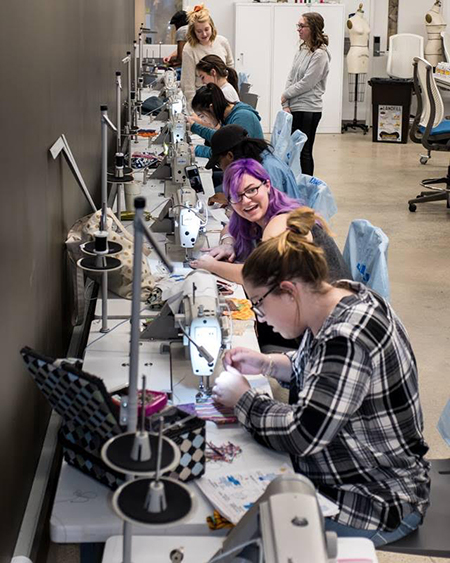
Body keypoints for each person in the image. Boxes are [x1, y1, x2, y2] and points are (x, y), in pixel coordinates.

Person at [212, 207, 430, 546]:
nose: (261, 317)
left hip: (376, 496)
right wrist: (268, 363)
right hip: (352, 469)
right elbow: (314, 365)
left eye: (259, 304)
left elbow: (303, 434)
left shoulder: (347, 337)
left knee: (248, 537)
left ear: (288, 290)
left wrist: (243, 399)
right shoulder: (335, 296)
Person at [190, 158, 350, 285]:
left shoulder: (283, 221)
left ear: (267, 185)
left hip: (334, 310)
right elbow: (229, 228)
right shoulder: (256, 212)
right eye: (236, 196)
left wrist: (211, 265)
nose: (245, 201)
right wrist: (228, 243)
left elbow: (259, 276)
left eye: (251, 190)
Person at [281, 12, 330, 176]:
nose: (298, 29)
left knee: (305, 151)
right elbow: (292, 76)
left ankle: (307, 187)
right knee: (293, 150)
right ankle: (295, 184)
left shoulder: (320, 54)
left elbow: (307, 83)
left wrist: (286, 94)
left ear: (313, 29)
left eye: (302, 26)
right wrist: (285, 102)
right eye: (298, 26)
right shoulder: (302, 49)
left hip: (309, 109)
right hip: (294, 106)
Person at [205, 124, 301, 200]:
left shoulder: (267, 170)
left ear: (230, 156)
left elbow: (271, 212)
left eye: (218, 163)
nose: (221, 168)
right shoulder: (258, 160)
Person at [188, 84, 263, 161]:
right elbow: (221, 138)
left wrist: (196, 150)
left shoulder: (241, 117)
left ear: (211, 108)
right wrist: (193, 126)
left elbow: (231, 153)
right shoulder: (228, 116)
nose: (204, 121)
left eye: (202, 116)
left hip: (253, 168)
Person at [180, 5, 234, 109]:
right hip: (202, 101)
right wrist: (194, 111)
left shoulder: (222, 42)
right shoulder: (189, 49)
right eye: (199, 31)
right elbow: (188, 86)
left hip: (224, 98)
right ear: (193, 32)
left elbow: (230, 68)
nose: (204, 34)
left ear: (212, 27)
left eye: (206, 29)